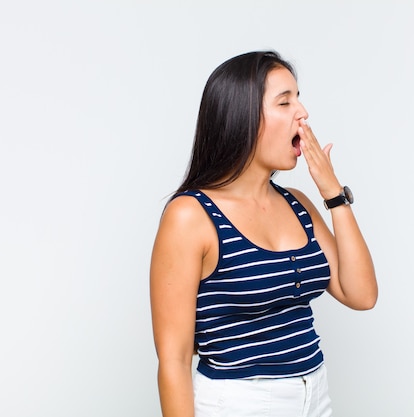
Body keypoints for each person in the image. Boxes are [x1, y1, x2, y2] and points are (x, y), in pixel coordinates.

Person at [150, 50, 377, 417]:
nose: (302, 113)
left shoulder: (300, 205)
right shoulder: (190, 216)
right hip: (242, 403)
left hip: (314, 396)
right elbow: (173, 360)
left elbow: (362, 294)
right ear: (244, 119)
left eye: (299, 99)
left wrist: (334, 195)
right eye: (285, 102)